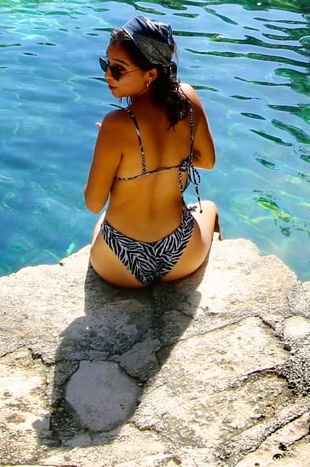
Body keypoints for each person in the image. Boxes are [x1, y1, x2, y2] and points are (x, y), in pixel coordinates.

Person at [83, 17, 219, 287]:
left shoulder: (116, 124)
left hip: (118, 262)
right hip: (182, 254)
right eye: (106, 64)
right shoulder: (188, 98)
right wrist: (172, 154)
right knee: (210, 208)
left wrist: (113, 150)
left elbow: (93, 203)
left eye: (118, 69)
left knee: (100, 222)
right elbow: (207, 162)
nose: (107, 75)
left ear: (151, 74)